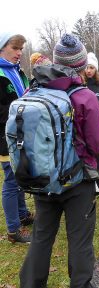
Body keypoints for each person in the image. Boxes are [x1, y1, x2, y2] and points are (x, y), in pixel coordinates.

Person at [19, 34, 99, 288]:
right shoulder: (83, 96)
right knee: (80, 240)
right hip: (77, 182)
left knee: (41, 237)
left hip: (43, 179)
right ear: (81, 64)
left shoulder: (34, 90)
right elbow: (97, 144)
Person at [0, 32, 34, 243]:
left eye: (21, 49)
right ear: (2, 48)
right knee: (12, 181)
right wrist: (19, 109)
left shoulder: (16, 70)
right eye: (15, 48)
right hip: (4, 138)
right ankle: (13, 230)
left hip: (19, 133)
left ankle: (23, 214)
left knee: (20, 174)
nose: (19, 53)